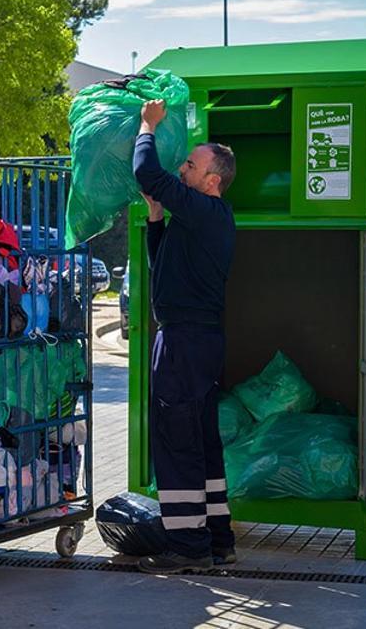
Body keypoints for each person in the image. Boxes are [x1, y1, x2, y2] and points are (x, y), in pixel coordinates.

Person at [131, 98, 238, 574]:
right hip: (196, 340)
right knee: (200, 438)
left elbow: (147, 173)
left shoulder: (206, 212)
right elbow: (163, 269)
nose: (183, 169)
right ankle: (218, 540)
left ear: (212, 180)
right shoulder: (197, 220)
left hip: (184, 342)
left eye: (191, 165)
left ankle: (187, 549)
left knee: (176, 439)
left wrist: (146, 126)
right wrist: (156, 220)